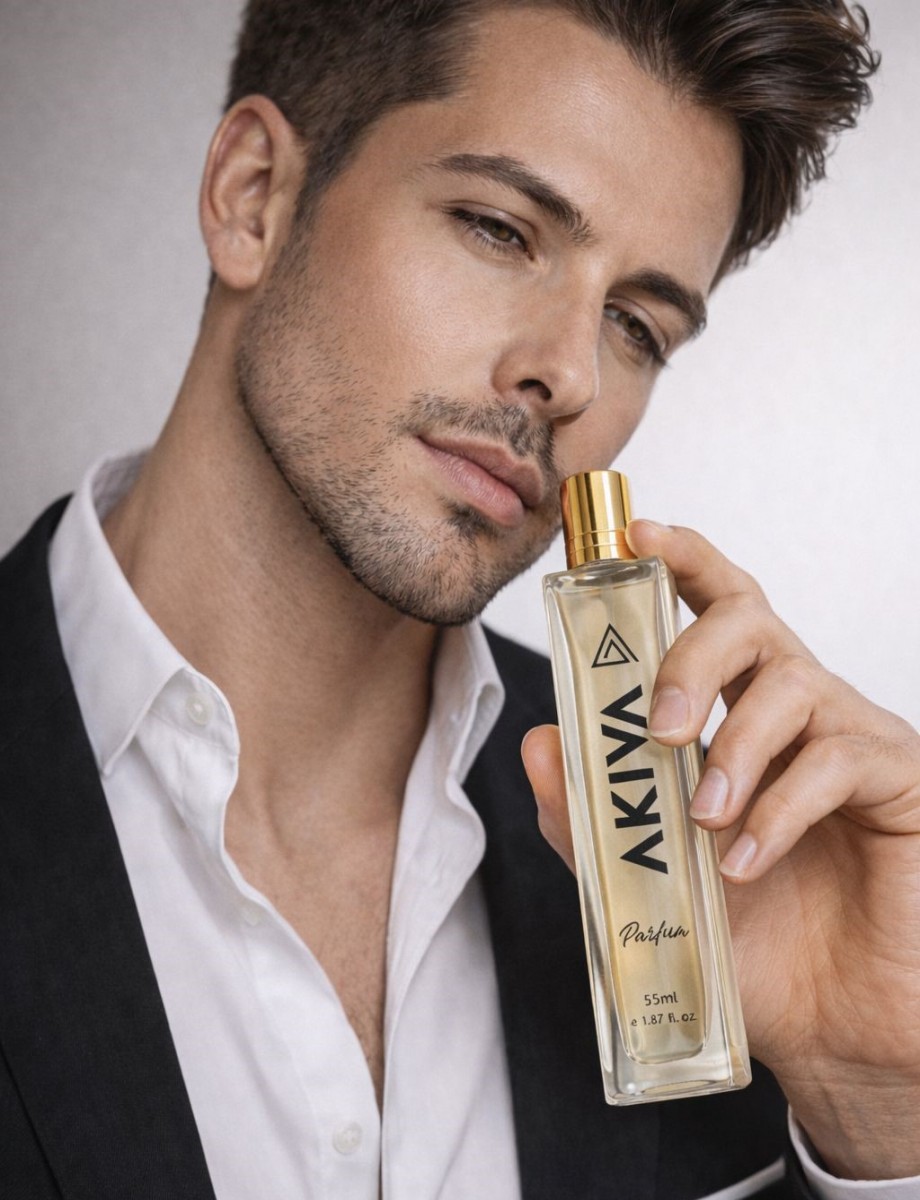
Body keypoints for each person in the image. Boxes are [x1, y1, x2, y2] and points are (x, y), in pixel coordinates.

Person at [1, 1, 918, 1197]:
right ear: (254, 196)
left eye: (635, 325)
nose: (568, 373)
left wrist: (874, 1110)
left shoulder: (694, 870)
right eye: (497, 229)